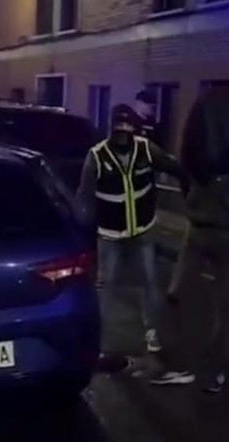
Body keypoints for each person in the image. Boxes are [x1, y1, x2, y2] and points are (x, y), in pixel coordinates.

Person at [154, 92, 229, 392]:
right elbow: (185, 178)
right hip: (198, 231)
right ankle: (181, 364)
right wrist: (196, 205)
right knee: (177, 294)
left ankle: (212, 370)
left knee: (222, 302)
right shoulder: (197, 144)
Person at [76, 104, 188, 371]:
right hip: (110, 234)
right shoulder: (97, 156)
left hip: (143, 229)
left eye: (127, 131)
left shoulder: (146, 150)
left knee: (150, 282)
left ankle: (152, 334)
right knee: (106, 287)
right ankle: (101, 343)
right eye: (118, 131)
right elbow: (85, 198)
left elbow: (175, 169)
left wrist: (191, 190)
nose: (123, 137)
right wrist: (83, 233)